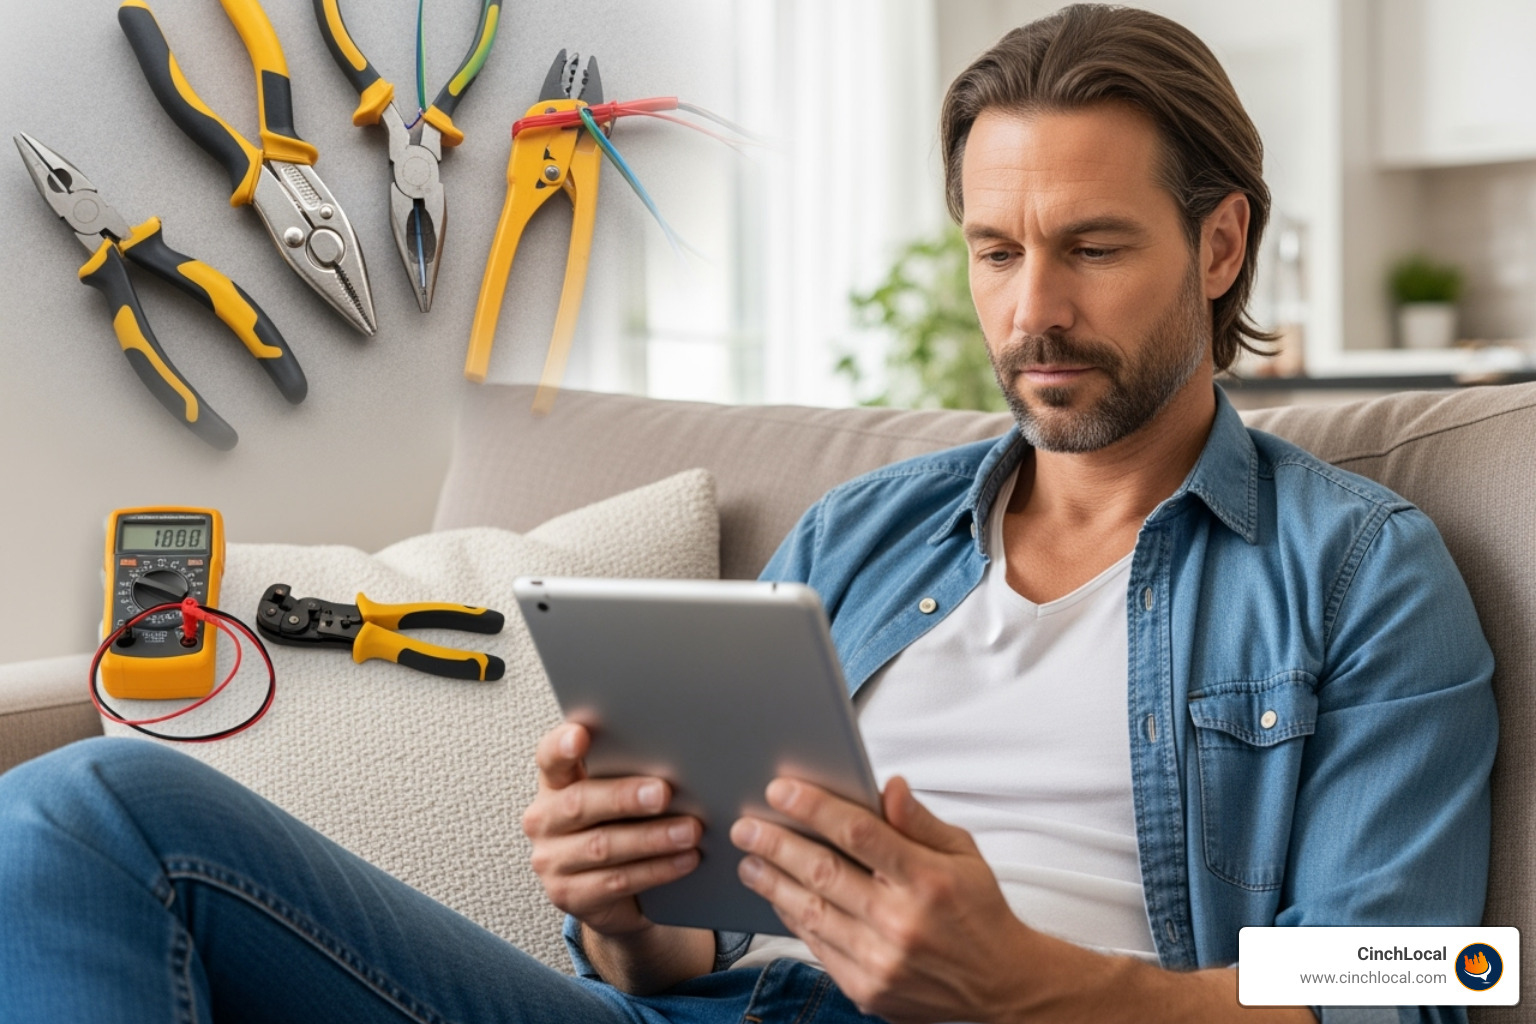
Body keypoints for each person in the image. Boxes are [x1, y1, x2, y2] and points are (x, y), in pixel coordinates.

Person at [0, 6, 1494, 1024]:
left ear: (1220, 242)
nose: (1030, 312)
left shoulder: (1355, 571)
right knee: (89, 813)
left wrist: (1020, 982)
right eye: (993, 251)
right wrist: (627, 913)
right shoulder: (866, 535)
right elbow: (683, 951)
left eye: (1093, 248)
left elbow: (1430, 979)